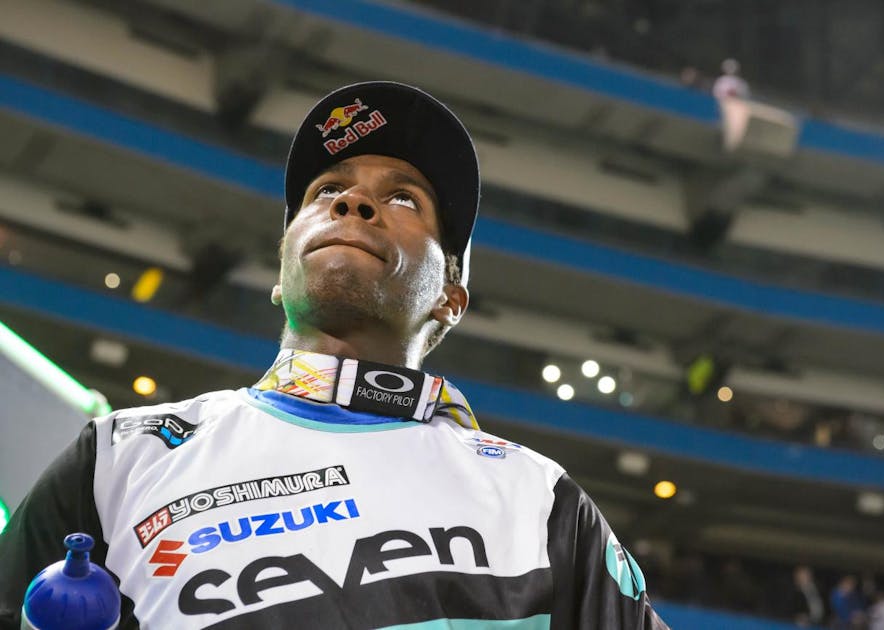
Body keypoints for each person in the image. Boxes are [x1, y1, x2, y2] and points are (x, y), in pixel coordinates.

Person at [0, 82, 668, 629]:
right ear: (281, 270)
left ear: (451, 296)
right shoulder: (121, 457)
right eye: (325, 192)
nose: (352, 201)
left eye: (403, 197)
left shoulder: (537, 499)